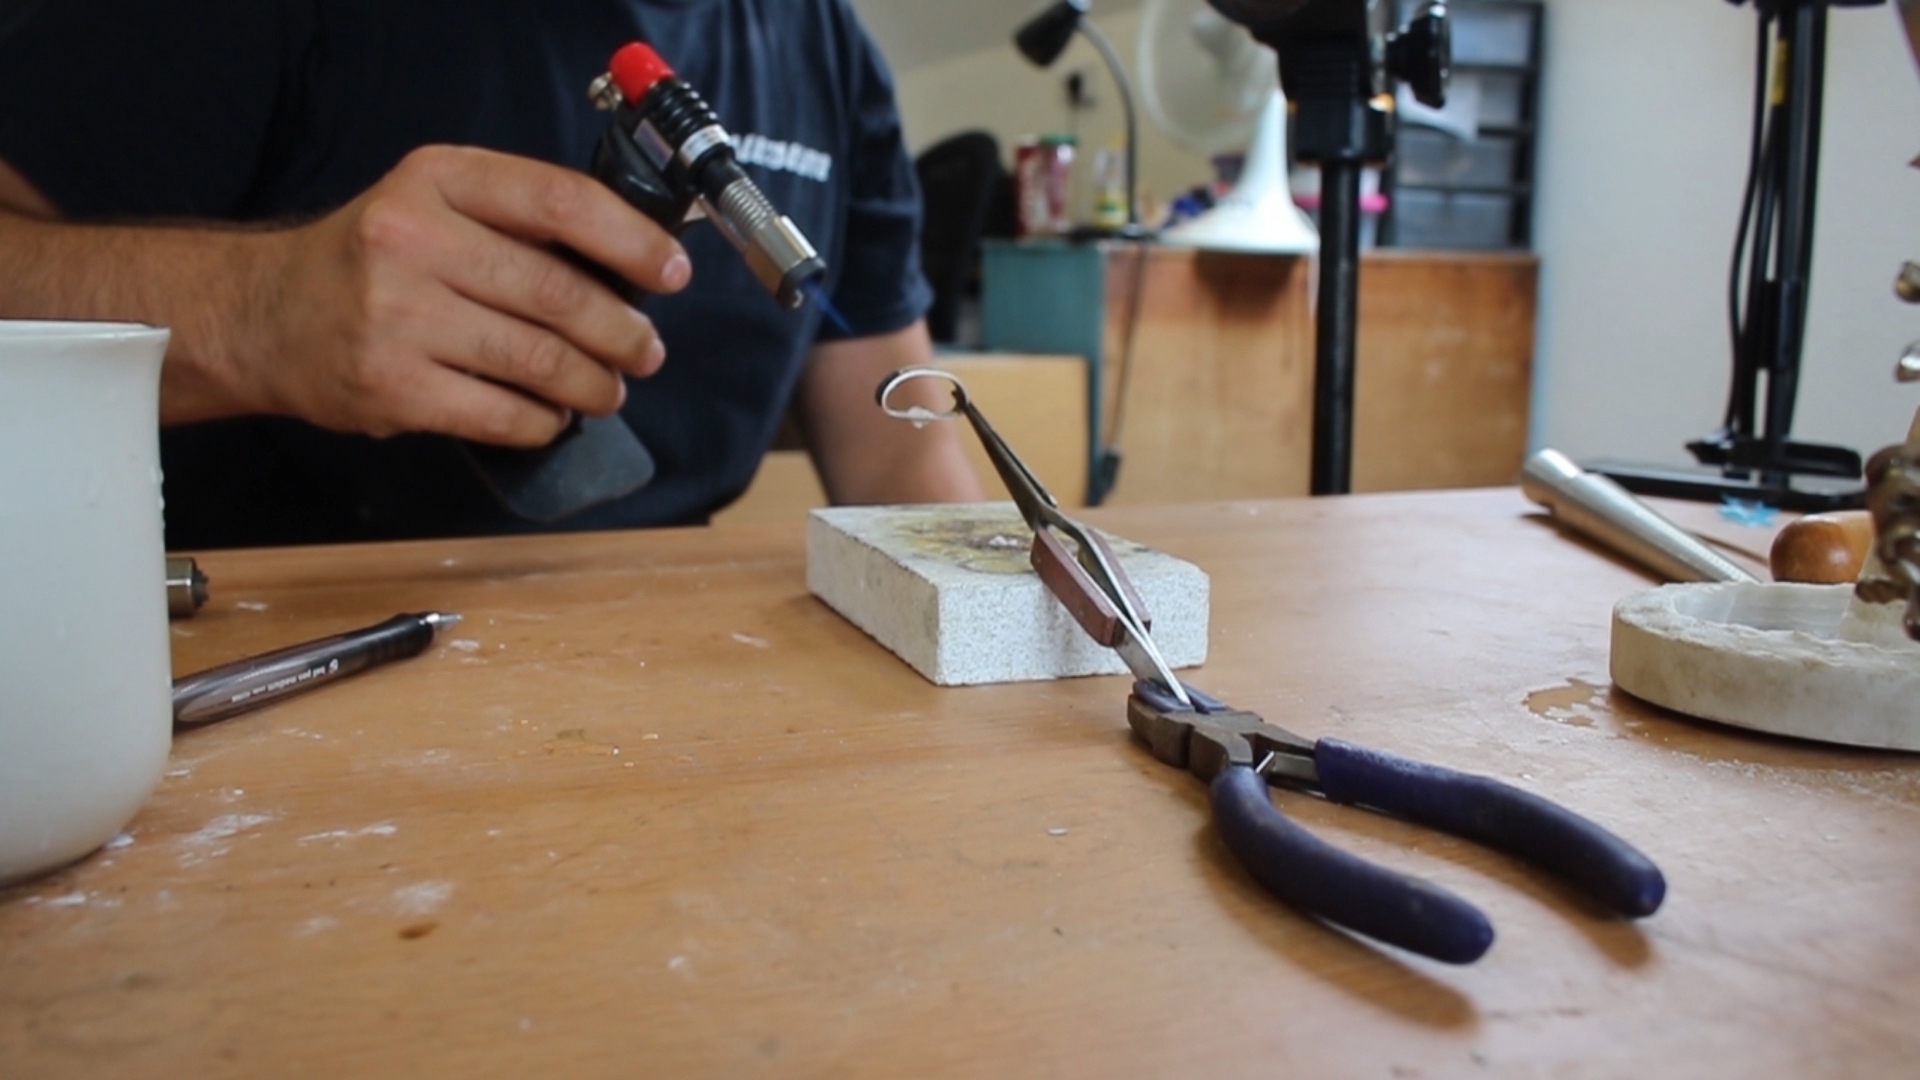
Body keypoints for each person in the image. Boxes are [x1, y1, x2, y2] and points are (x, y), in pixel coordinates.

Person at [0, 0, 983, 548]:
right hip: (284, 653)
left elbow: (900, 454)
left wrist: (1013, 588)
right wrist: (257, 310)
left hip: (664, 670)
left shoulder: (825, 43)